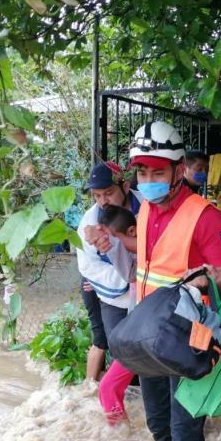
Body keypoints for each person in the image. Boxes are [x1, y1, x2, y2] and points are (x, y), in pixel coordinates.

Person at [88, 121, 221, 441]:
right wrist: (116, 243)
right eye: (142, 171)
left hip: (190, 341)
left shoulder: (207, 217)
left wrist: (207, 280)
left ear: (179, 169)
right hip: (149, 338)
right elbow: (152, 258)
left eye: (157, 170)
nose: (149, 178)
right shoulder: (146, 211)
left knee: (186, 434)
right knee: (157, 423)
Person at [77, 162, 140, 381]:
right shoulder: (89, 223)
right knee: (120, 350)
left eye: (109, 193)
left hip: (147, 291)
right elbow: (88, 266)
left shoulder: (147, 206)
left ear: (124, 186)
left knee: (149, 350)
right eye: (97, 196)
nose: (103, 201)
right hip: (113, 296)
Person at [95, 205, 139, 425]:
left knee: (108, 387)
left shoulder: (147, 255)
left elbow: (130, 274)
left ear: (132, 232)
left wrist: (111, 246)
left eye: (111, 239)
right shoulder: (139, 252)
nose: (107, 245)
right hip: (140, 332)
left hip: (144, 334)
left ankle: (120, 435)